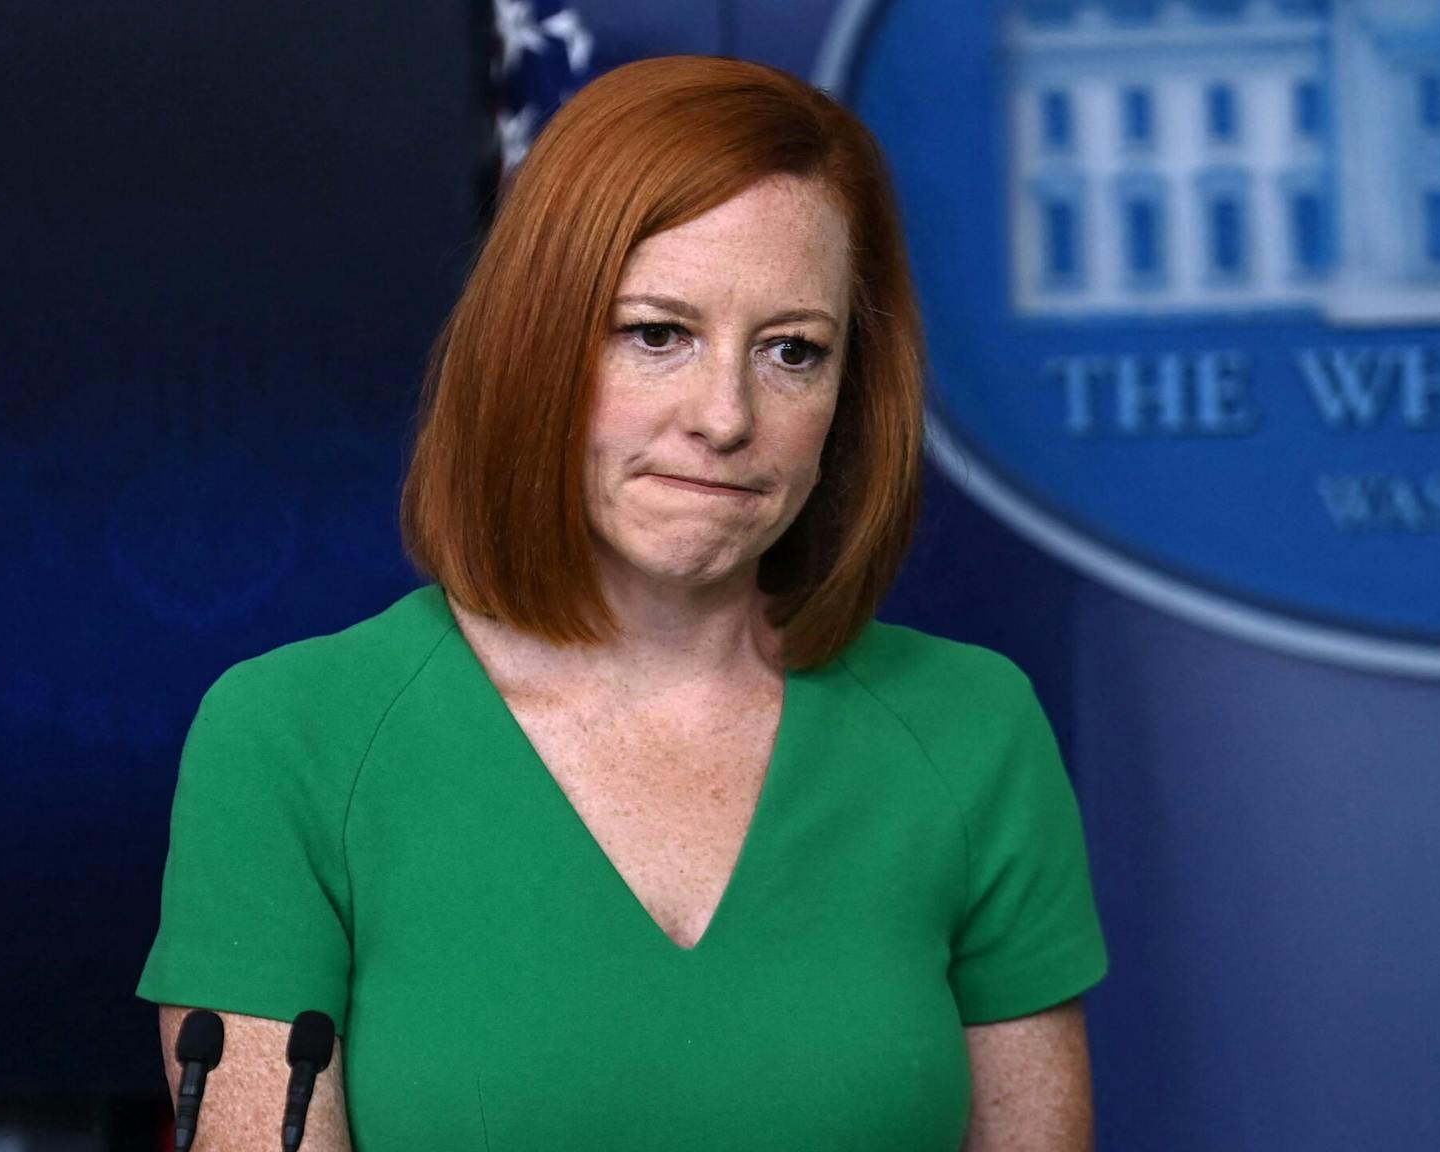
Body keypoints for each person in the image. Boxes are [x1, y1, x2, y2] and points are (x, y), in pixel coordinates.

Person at [137, 54, 1107, 1150]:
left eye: (792, 351)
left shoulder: (972, 729)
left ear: (850, 393)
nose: (725, 417)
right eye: (657, 334)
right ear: (533, 348)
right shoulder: (292, 737)